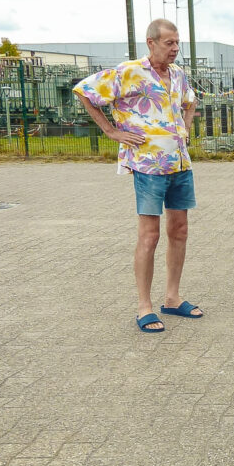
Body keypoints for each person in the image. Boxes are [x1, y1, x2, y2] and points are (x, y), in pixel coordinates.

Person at [73, 19, 202, 333]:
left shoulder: (178, 75)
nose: (175, 48)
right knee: (150, 235)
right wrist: (111, 131)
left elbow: (191, 100)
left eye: (177, 42)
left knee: (180, 230)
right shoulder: (128, 72)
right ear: (151, 42)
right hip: (147, 165)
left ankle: (172, 298)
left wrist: (185, 126)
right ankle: (144, 306)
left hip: (179, 164)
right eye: (169, 43)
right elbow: (84, 92)